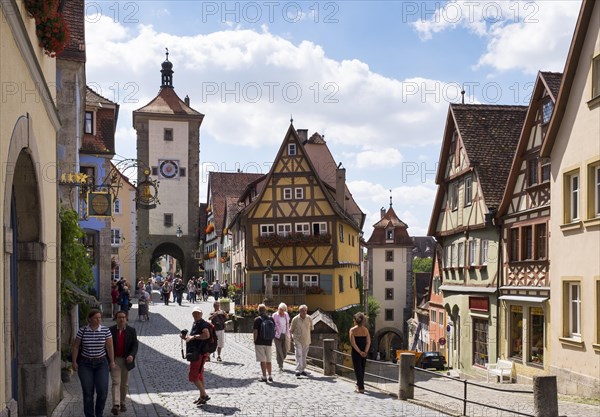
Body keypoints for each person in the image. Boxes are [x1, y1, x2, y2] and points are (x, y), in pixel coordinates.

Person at [72, 309, 116, 417]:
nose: (98, 320)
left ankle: (99, 413)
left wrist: (112, 361)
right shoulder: (82, 331)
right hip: (85, 364)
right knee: (88, 393)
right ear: (90, 319)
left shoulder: (105, 330)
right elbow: (76, 346)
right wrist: (74, 361)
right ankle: (89, 415)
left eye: (100, 317)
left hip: (101, 363)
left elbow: (110, 347)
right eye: (96, 318)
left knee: (102, 392)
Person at [109, 310, 139, 414]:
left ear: (126, 319)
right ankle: (116, 405)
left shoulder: (131, 330)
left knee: (124, 384)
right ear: (116, 319)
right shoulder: (111, 330)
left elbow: (135, 345)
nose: (121, 319)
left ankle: (122, 402)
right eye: (119, 317)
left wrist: (131, 355)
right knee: (116, 382)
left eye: (123, 317)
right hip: (115, 359)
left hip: (126, 360)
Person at [181, 307, 211, 405]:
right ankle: (202, 397)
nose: (196, 315)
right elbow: (194, 339)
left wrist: (193, 337)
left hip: (200, 354)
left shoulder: (202, 324)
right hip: (197, 353)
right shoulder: (196, 323)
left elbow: (206, 335)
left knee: (193, 376)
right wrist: (185, 338)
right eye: (194, 313)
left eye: (198, 313)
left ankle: (204, 395)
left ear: (201, 314)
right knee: (199, 375)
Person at [349, 312, 371, 393]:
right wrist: (365, 351)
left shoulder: (352, 330)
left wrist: (359, 352)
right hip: (364, 351)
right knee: (362, 369)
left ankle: (361, 387)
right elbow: (368, 342)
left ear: (355, 320)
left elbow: (353, 343)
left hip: (356, 352)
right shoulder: (366, 330)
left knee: (357, 369)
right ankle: (359, 384)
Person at [290, 304, 313, 377]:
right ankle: (298, 370)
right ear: (299, 311)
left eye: (305, 310)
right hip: (297, 339)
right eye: (302, 310)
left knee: (304, 355)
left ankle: (302, 369)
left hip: (306, 339)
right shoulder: (295, 319)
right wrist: (292, 337)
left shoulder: (309, 318)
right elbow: (291, 329)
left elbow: (311, 328)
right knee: (299, 354)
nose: (304, 312)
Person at [253, 303, 275, 382]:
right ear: (265, 310)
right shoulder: (271, 319)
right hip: (269, 342)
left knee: (263, 360)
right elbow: (274, 330)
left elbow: (255, 331)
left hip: (260, 342)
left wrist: (254, 340)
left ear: (258, 310)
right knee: (269, 360)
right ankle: (270, 375)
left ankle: (264, 376)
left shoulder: (257, 320)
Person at [272, 302, 291, 371]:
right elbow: (272, 325)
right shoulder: (274, 315)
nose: (281, 311)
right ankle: (280, 365)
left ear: (285, 310)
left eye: (283, 310)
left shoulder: (286, 315)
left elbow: (288, 324)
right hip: (277, 335)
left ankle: (281, 359)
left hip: (285, 334)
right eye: (280, 309)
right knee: (279, 350)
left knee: (284, 350)